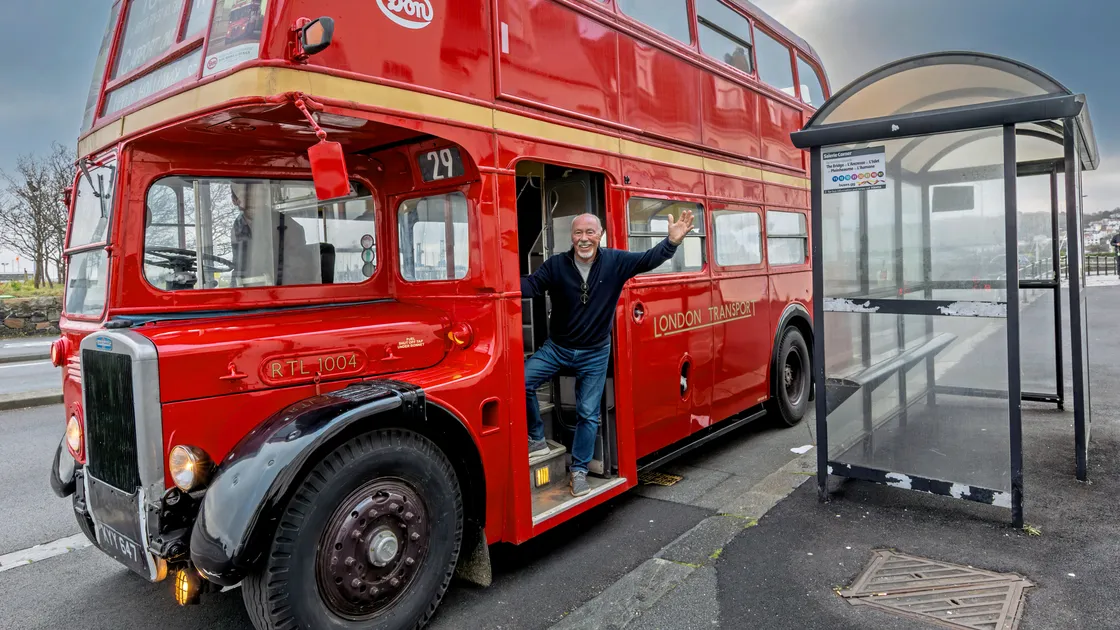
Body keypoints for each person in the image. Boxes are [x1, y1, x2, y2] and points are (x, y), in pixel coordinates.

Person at [520, 210, 696, 497]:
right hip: (558, 348)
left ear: (600, 235)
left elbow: (648, 259)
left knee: (588, 414)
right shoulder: (556, 265)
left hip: (594, 352)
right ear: (572, 237)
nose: (584, 238)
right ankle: (537, 439)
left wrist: (672, 242)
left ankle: (578, 471)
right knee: (523, 381)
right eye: (579, 233)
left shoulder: (615, 261)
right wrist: (496, 284)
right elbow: (531, 286)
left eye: (590, 232)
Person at [229, 182, 318, 286]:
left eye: (254, 192)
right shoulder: (238, 226)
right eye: (243, 193)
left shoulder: (287, 226)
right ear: (234, 200)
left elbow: (297, 271)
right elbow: (239, 268)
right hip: (251, 291)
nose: (251, 196)